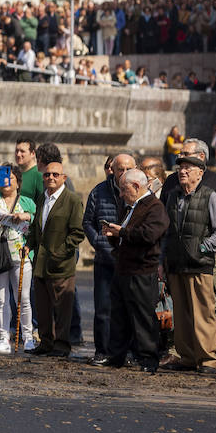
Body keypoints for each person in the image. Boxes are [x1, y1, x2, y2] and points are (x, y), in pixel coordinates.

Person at [160, 137, 216, 370]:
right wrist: (162, 259)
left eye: (187, 168)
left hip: (200, 263)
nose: (182, 172)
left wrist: (203, 247)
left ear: (200, 172)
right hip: (176, 263)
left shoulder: (210, 195)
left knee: (203, 312)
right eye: (180, 167)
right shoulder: (174, 196)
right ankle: (186, 357)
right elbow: (167, 231)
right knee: (182, 313)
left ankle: (207, 359)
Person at [96, 168, 168, 373]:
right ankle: (116, 355)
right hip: (123, 268)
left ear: (136, 186)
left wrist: (122, 232)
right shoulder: (129, 206)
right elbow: (125, 235)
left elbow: (149, 235)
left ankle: (148, 358)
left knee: (143, 316)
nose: (120, 194)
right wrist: (112, 233)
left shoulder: (155, 207)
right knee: (119, 314)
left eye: (123, 190)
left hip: (142, 269)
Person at [26, 160, 84, 357]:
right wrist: (29, 245)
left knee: (62, 308)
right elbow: (36, 227)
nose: (50, 177)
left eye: (55, 175)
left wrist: (60, 252)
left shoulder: (72, 200)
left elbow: (77, 233)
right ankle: (46, 342)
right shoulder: (42, 199)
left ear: (64, 178)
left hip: (61, 265)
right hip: (40, 263)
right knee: (42, 307)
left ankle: (61, 345)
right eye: (47, 174)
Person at [84, 154, 135, 365]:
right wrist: (98, 241)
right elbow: (87, 221)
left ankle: (129, 353)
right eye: (120, 169)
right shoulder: (98, 191)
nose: (124, 173)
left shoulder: (139, 191)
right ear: (112, 170)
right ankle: (102, 351)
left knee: (129, 308)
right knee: (103, 309)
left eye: (128, 169)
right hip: (105, 258)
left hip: (130, 260)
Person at [0, 177, 35, 353]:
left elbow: (37, 221)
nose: (7, 181)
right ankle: (3, 337)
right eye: (4, 177)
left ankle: (28, 337)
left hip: (20, 253)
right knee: (1, 299)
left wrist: (27, 215)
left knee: (23, 299)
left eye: (11, 178)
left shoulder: (27, 201)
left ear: (18, 183)